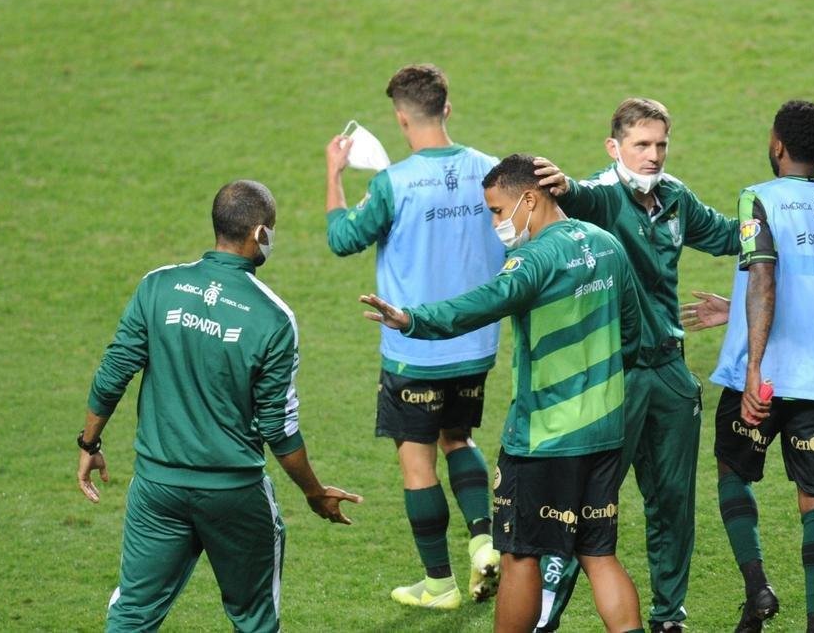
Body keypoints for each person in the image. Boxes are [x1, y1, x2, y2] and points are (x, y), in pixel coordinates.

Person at [360, 153, 646, 633]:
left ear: (530, 199)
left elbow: (486, 302)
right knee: (599, 554)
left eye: (497, 210)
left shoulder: (535, 258)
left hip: (544, 439)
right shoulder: (606, 244)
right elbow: (633, 337)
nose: (495, 222)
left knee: (518, 554)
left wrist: (412, 319)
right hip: (605, 431)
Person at [76, 180, 362, 632]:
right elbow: (278, 427)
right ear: (261, 235)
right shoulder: (272, 318)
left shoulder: (158, 287)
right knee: (254, 620)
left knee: (132, 613)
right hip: (234, 494)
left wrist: (89, 442)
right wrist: (313, 491)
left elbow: (114, 372)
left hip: (157, 489)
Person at [534, 97, 741, 633]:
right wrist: (562, 185)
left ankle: (669, 618)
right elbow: (578, 196)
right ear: (615, 147)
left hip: (670, 375)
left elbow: (728, 237)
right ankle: (542, 618)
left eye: (660, 145)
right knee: (585, 507)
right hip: (616, 377)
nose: (653, 156)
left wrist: (777, 218)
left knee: (673, 504)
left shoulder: (674, 198)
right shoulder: (601, 196)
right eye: (641, 145)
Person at [325, 63, 504, 609]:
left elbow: (341, 238)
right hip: (475, 346)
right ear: (446, 109)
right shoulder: (492, 171)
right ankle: (483, 542)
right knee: (460, 439)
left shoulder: (393, 183)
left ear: (401, 118)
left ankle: (439, 585)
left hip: (412, 352)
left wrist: (334, 173)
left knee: (417, 460)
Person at [688, 101, 814, 633]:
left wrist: (754, 365)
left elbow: (764, 276)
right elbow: (809, 285)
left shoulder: (757, 198)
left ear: (778, 145)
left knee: (732, 472)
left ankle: (757, 587)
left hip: (763, 376)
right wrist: (734, 310)